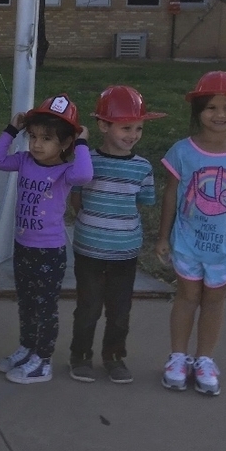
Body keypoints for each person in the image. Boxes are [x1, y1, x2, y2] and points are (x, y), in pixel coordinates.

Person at [155, 71, 226, 396]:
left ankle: (204, 360)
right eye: (212, 107)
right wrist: (162, 237)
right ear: (198, 111)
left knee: (215, 302)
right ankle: (177, 358)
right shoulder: (183, 151)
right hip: (188, 245)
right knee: (187, 298)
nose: (220, 115)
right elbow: (171, 195)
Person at [0, 94, 92, 384]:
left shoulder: (66, 171)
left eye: (46, 138)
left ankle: (43, 361)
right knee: (26, 303)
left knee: (45, 308)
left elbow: (85, 174)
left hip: (49, 252)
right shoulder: (23, 161)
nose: (36, 144)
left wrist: (82, 140)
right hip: (23, 247)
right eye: (32, 136)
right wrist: (12, 129)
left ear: (65, 143)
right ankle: (27, 347)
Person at [68, 86, 164, 384]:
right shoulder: (87, 162)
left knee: (120, 311)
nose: (133, 134)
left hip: (125, 251)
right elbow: (75, 196)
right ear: (103, 125)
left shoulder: (142, 168)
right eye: (126, 127)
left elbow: (142, 202)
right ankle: (80, 356)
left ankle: (114, 356)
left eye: (138, 128)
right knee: (88, 308)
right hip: (89, 249)